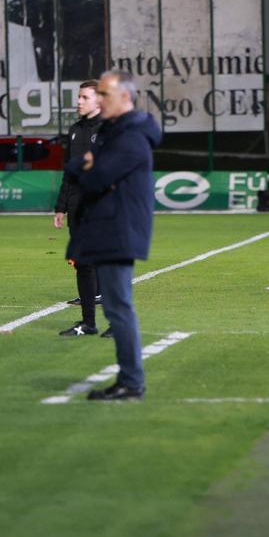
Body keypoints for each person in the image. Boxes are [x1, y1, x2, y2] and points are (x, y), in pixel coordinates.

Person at [67, 70, 162, 401]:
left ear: (125, 97)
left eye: (105, 94)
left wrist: (86, 167)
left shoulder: (130, 138)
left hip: (119, 230)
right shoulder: (114, 134)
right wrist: (87, 166)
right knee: (117, 308)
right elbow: (88, 173)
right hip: (110, 227)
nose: (101, 100)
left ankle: (132, 382)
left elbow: (93, 178)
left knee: (119, 308)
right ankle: (129, 379)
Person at [55, 80, 105, 334]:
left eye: (85, 97)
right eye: (79, 97)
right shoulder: (74, 130)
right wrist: (61, 206)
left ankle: (117, 322)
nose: (79, 102)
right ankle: (89, 323)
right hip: (77, 208)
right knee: (83, 264)